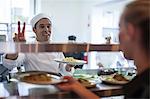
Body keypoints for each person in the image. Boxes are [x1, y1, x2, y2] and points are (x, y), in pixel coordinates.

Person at [58, 0, 150, 98]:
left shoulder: (145, 90)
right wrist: (77, 87)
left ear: (130, 31)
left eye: (120, 28)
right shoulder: (142, 82)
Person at [3, 13, 73, 76]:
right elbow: (10, 64)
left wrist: (68, 66)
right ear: (34, 30)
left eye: (48, 26)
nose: (46, 30)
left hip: (53, 85)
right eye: (42, 27)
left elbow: (63, 68)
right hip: (33, 86)